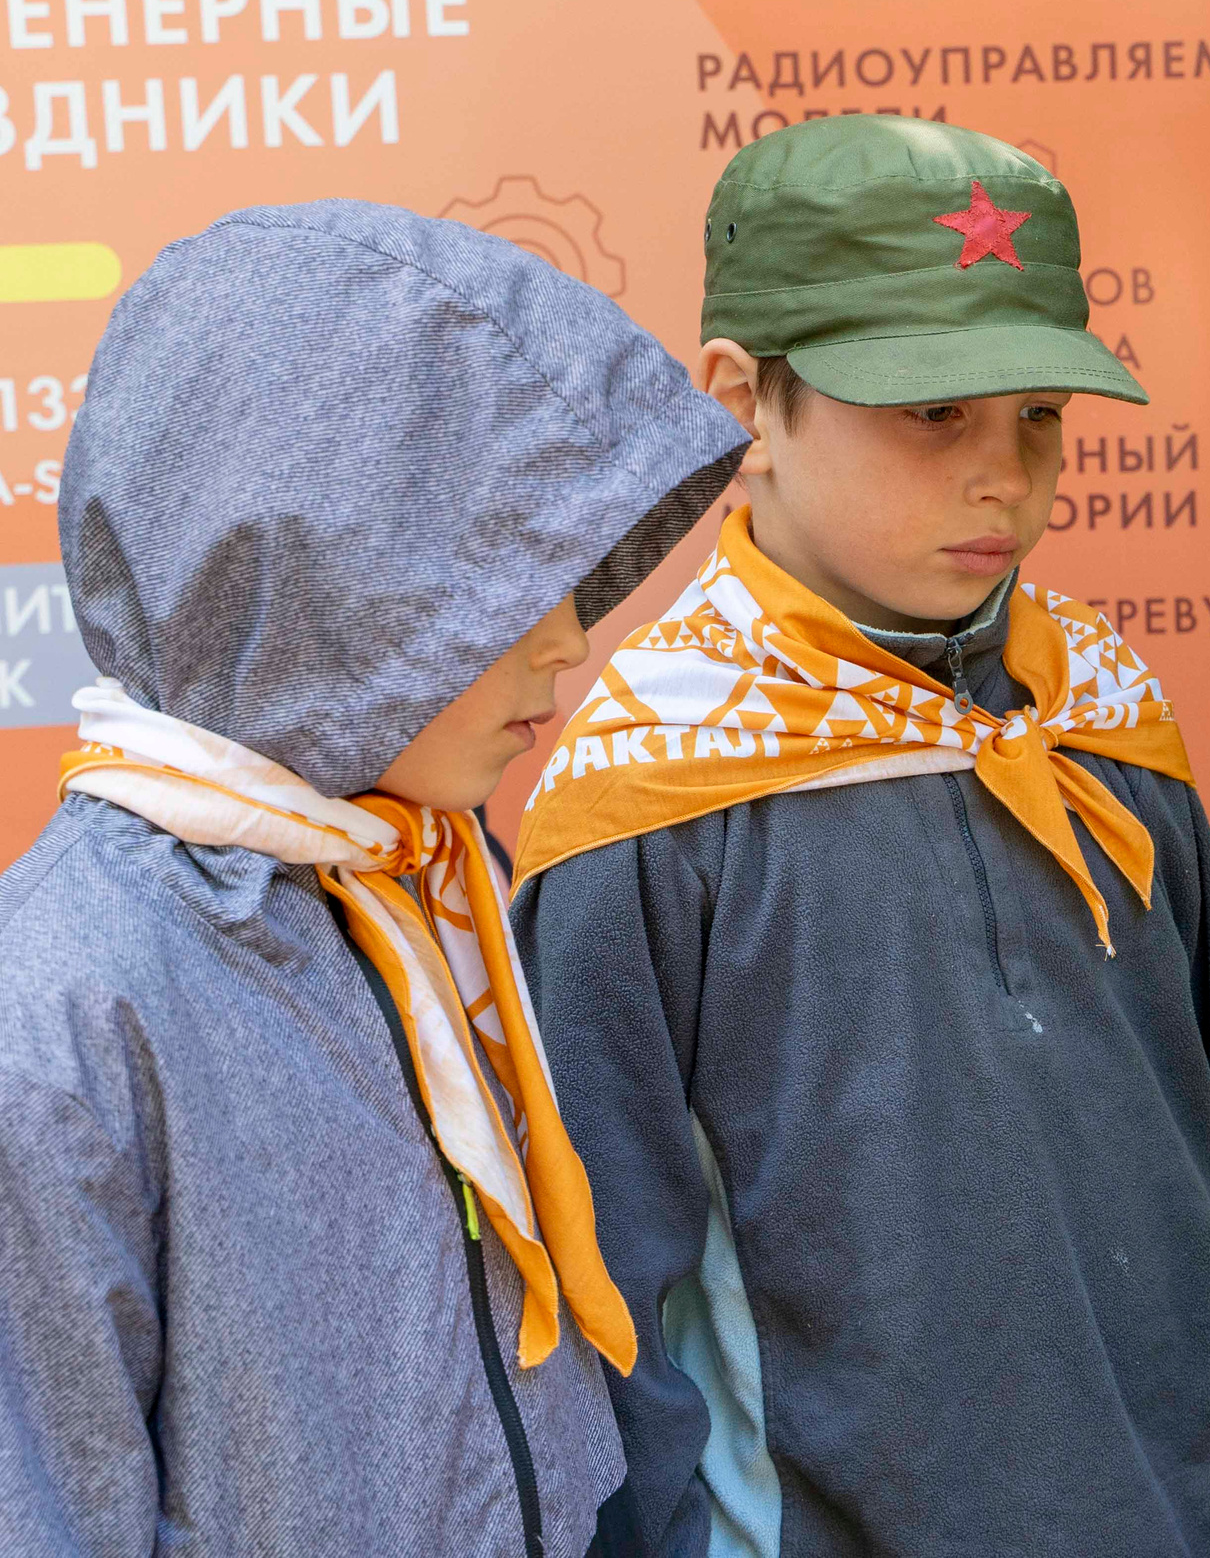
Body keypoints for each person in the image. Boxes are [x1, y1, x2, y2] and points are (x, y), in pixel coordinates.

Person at [509, 115, 1210, 1558]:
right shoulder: (645, 801)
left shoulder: (1108, 718)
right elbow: (605, 1299)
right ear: (745, 402)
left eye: (1038, 416)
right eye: (933, 414)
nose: (1006, 475)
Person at [0, 201, 747, 1554]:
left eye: (563, 569)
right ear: (311, 578)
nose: (569, 640)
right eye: (491, 574)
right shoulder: (66, 1006)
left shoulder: (429, 882)